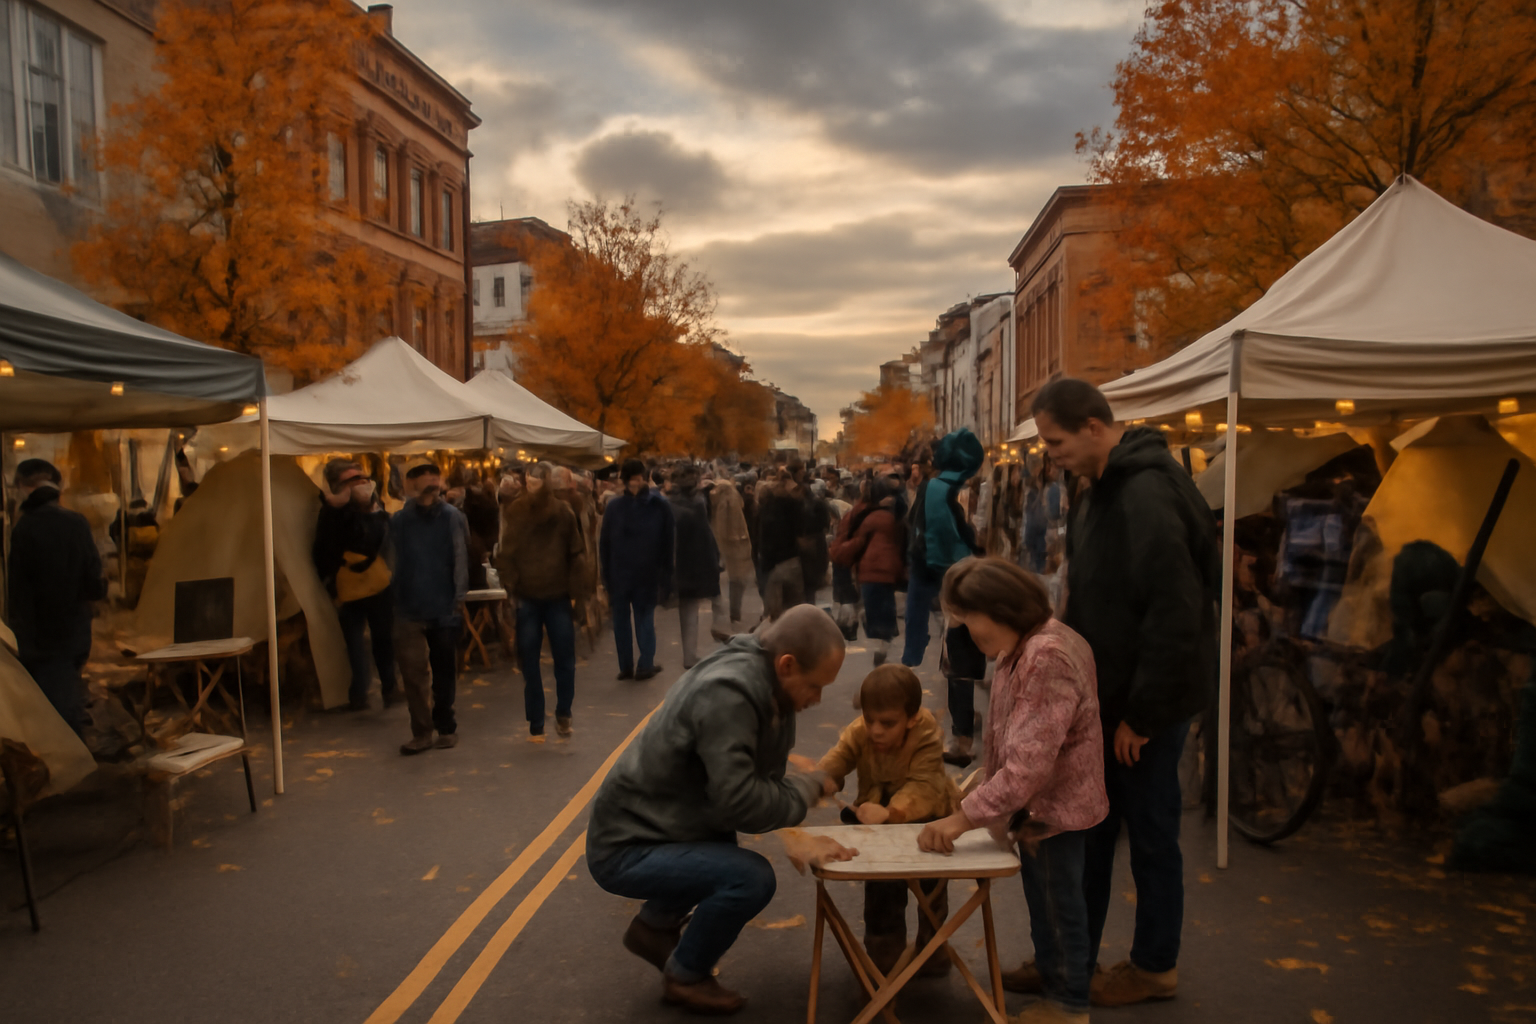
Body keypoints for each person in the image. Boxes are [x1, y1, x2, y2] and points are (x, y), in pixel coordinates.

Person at [1029, 378, 1218, 1008]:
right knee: (1088, 829)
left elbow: (1176, 610)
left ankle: (1153, 965)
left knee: (1152, 833)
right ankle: (1070, 958)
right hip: (1105, 699)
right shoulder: (1100, 488)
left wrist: (1143, 714)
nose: (1050, 453)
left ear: (1091, 426)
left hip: (1140, 708)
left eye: (1055, 440)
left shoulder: (1146, 492)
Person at [587, 605, 850, 1015]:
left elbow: (755, 786)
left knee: (723, 847)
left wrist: (794, 810)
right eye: (815, 687)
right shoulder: (730, 693)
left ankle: (655, 927)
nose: (817, 700)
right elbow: (743, 801)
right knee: (749, 878)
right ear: (786, 664)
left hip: (667, 824)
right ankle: (685, 975)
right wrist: (805, 791)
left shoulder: (769, 686)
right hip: (626, 846)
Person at [919, 557, 1107, 1024]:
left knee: (1059, 906)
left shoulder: (1046, 656)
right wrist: (988, 781)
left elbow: (1029, 764)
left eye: (980, 634)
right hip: (1039, 807)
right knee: (1046, 900)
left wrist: (964, 817)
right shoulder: (1024, 646)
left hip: (1054, 809)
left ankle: (1068, 1002)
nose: (977, 644)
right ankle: (1052, 972)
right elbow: (1012, 735)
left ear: (1006, 611)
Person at [817, 664, 960, 977]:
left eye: (887, 722)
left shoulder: (927, 735)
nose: (876, 730)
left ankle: (931, 951)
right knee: (882, 892)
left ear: (912, 718)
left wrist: (891, 811)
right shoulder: (862, 731)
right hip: (878, 820)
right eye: (869, 720)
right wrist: (820, 778)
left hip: (929, 820)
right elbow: (839, 757)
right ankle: (885, 965)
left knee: (931, 892)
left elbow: (924, 785)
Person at [902, 428, 986, 766]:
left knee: (959, 658)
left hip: (949, 581)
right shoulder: (950, 489)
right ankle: (962, 736)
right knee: (962, 659)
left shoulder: (935, 487)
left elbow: (918, 529)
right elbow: (953, 538)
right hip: (961, 580)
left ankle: (963, 734)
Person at [7, 460, 104, 733]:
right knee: (66, 699)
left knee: (54, 712)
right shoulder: (77, 523)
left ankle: (72, 768)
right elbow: (94, 581)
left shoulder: (24, 530)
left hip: (40, 636)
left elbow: (18, 590)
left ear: (23, 486)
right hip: (75, 629)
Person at [496, 462, 587, 739]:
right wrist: (511, 587)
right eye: (530, 481)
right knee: (531, 659)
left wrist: (577, 593)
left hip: (555, 595)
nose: (533, 485)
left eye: (538, 481)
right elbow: (507, 552)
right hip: (530, 596)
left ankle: (562, 713)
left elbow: (575, 553)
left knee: (562, 658)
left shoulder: (562, 513)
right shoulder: (518, 511)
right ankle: (539, 718)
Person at [390, 461, 469, 755]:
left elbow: (461, 556)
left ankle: (446, 725)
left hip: (443, 603)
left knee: (444, 669)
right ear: (410, 486)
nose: (431, 488)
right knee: (413, 674)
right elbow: (392, 558)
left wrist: (458, 599)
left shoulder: (452, 518)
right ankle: (422, 731)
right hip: (408, 606)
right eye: (425, 483)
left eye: (434, 482)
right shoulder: (399, 521)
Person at [312, 458, 397, 711]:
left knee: (384, 638)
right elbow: (323, 550)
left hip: (379, 584)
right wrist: (330, 584)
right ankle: (358, 693)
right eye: (352, 480)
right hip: (348, 584)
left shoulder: (374, 508)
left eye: (361, 479)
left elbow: (384, 538)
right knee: (354, 642)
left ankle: (390, 688)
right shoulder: (332, 514)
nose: (360, 484)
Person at [600, 458, 674, 681]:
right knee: (639, 619)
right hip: (641, 573)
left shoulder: (617, 507)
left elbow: (605, 544)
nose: (635, 484)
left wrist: (606, 574)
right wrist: (666, 573)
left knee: (630, 619)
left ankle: (633, 665)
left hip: (629, 572)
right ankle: (640, 664)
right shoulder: (657, 505)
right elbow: (667, 543)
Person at [832, 475, 905, 666]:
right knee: (884, 610)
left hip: (869, 570)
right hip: (889, 570)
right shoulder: (895, 515)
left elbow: (854, 542)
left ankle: (879, 644)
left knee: (875, 608)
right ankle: (883, 646)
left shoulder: (864, 515)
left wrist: (841, 554)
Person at [667, 465, 722, 670]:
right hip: (695, 563)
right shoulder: (699, 505)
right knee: (691, 610)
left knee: (685, 609)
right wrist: (714, 563)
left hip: (675, 562)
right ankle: (689, 655)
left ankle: (687, 655)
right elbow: (705, 538)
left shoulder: (668, 504)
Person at [756, 466, 807, 620]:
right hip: (792, 561)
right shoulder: (796, 505)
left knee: (773, 617)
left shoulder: (765, 508)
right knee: (795, 613)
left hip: (771, 565)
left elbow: (759, 538)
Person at [707, 472, 754, 637]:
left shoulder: (715, 501)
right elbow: (737, 525)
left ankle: (721, 617)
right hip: (735, 546)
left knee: (723, 582)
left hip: (718, 545)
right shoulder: (731, 499)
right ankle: (734, 613)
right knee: (738, 580)